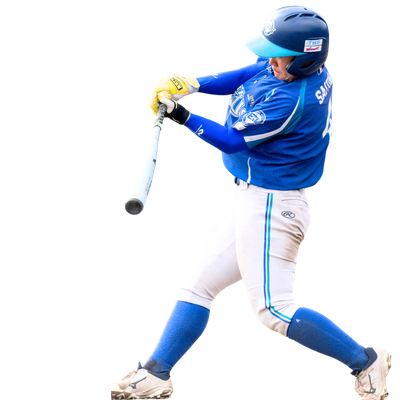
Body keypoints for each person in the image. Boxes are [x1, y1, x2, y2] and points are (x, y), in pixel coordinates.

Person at [110, 5, 393, 399]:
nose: (271, 60)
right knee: (197, 285)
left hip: (273, 207)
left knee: (273, 310)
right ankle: (155, 374)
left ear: (305, 60)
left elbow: (231, 141)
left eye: (280, 55)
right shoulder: (296, 69)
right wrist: (192, 84)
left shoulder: (292, 99)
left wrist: (181, 115)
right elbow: (249, 72)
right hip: (254, 201)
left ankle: (365, 361)